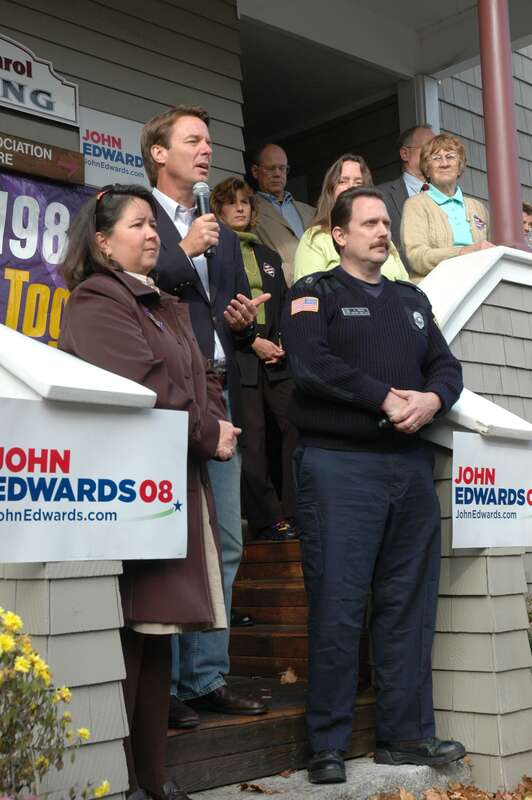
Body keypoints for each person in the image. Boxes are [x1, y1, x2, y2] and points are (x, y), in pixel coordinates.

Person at [58, 184, 239, 800]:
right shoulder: (97, 300)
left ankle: (155, 783)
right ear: (103, 241)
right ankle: (127, 783)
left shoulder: (165, 302)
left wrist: (213, 419)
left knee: (158, 632)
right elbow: (147, 391)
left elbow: (201, 377)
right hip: (126, 496)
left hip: (171, 484)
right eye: (139, 224)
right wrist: (210, 430)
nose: (153, 233)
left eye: (154, 225)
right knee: (132, 634)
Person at [281, 186, 465, 784]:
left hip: (408, 469)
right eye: (369, 223)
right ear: (338, 235)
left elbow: (446, 366)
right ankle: (328, 744)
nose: (382, 231)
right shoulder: (314, 294)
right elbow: (311, 367)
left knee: (407, 605)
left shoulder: (411, 300)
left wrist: (433, 398)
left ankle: (405, 736)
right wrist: (385, 397)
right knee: (337, 603)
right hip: (339, 466)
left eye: (386, 222)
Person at [140, 105, 268, 729]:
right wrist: (181, 250)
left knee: (226, 541)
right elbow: (133, 285)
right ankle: (159, 688)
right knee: (169, 540)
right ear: (159, 153)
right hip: (167, 396)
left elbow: (213, 313)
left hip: (219, 391)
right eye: (193, 140)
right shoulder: (137, 217)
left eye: (210, 141)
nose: (206, 149)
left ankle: (203, 679)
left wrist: (240, 325)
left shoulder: (214, 228)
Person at [211, 177, 299, 541]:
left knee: (294, 430)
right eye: (231, 203)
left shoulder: (270, 257)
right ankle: (268, 519)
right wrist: (253, 340)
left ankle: (297, 513)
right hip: (241, 358)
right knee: (254, 441)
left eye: (245, 201)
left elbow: (282, 305)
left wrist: (278, 343)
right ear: (218, 210)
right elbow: (219, 310)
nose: (240, 207)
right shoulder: (214, 255)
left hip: (277, 361)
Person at [293, 153, 409, 283]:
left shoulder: (382, 236)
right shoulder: (315, 238)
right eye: (343, 181)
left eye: (358, 182)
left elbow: (405, 285)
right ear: (331, 190)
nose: (351, 187)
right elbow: (307, 293)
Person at [401, 133, 495, 282]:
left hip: (478, 284)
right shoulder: (416, 205)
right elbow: (416, 257)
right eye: (436, 158)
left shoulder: (478, 208)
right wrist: (462, 252)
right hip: (437, 287)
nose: (444, 163)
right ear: (427, 168)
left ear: (460, 166)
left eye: (450, 157)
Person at [250, 143, 314, 286]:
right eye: (271, 168)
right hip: (286, 292)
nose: (277, 174)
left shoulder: (310, 211)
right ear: (255, 171)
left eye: (282, 168)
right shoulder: (250, 213)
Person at [377, 124, 434, 262]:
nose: (435, 153)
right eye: (428, 147)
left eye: (437, 148)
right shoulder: (380, 195)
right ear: (405, 154)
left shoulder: (447, 195)